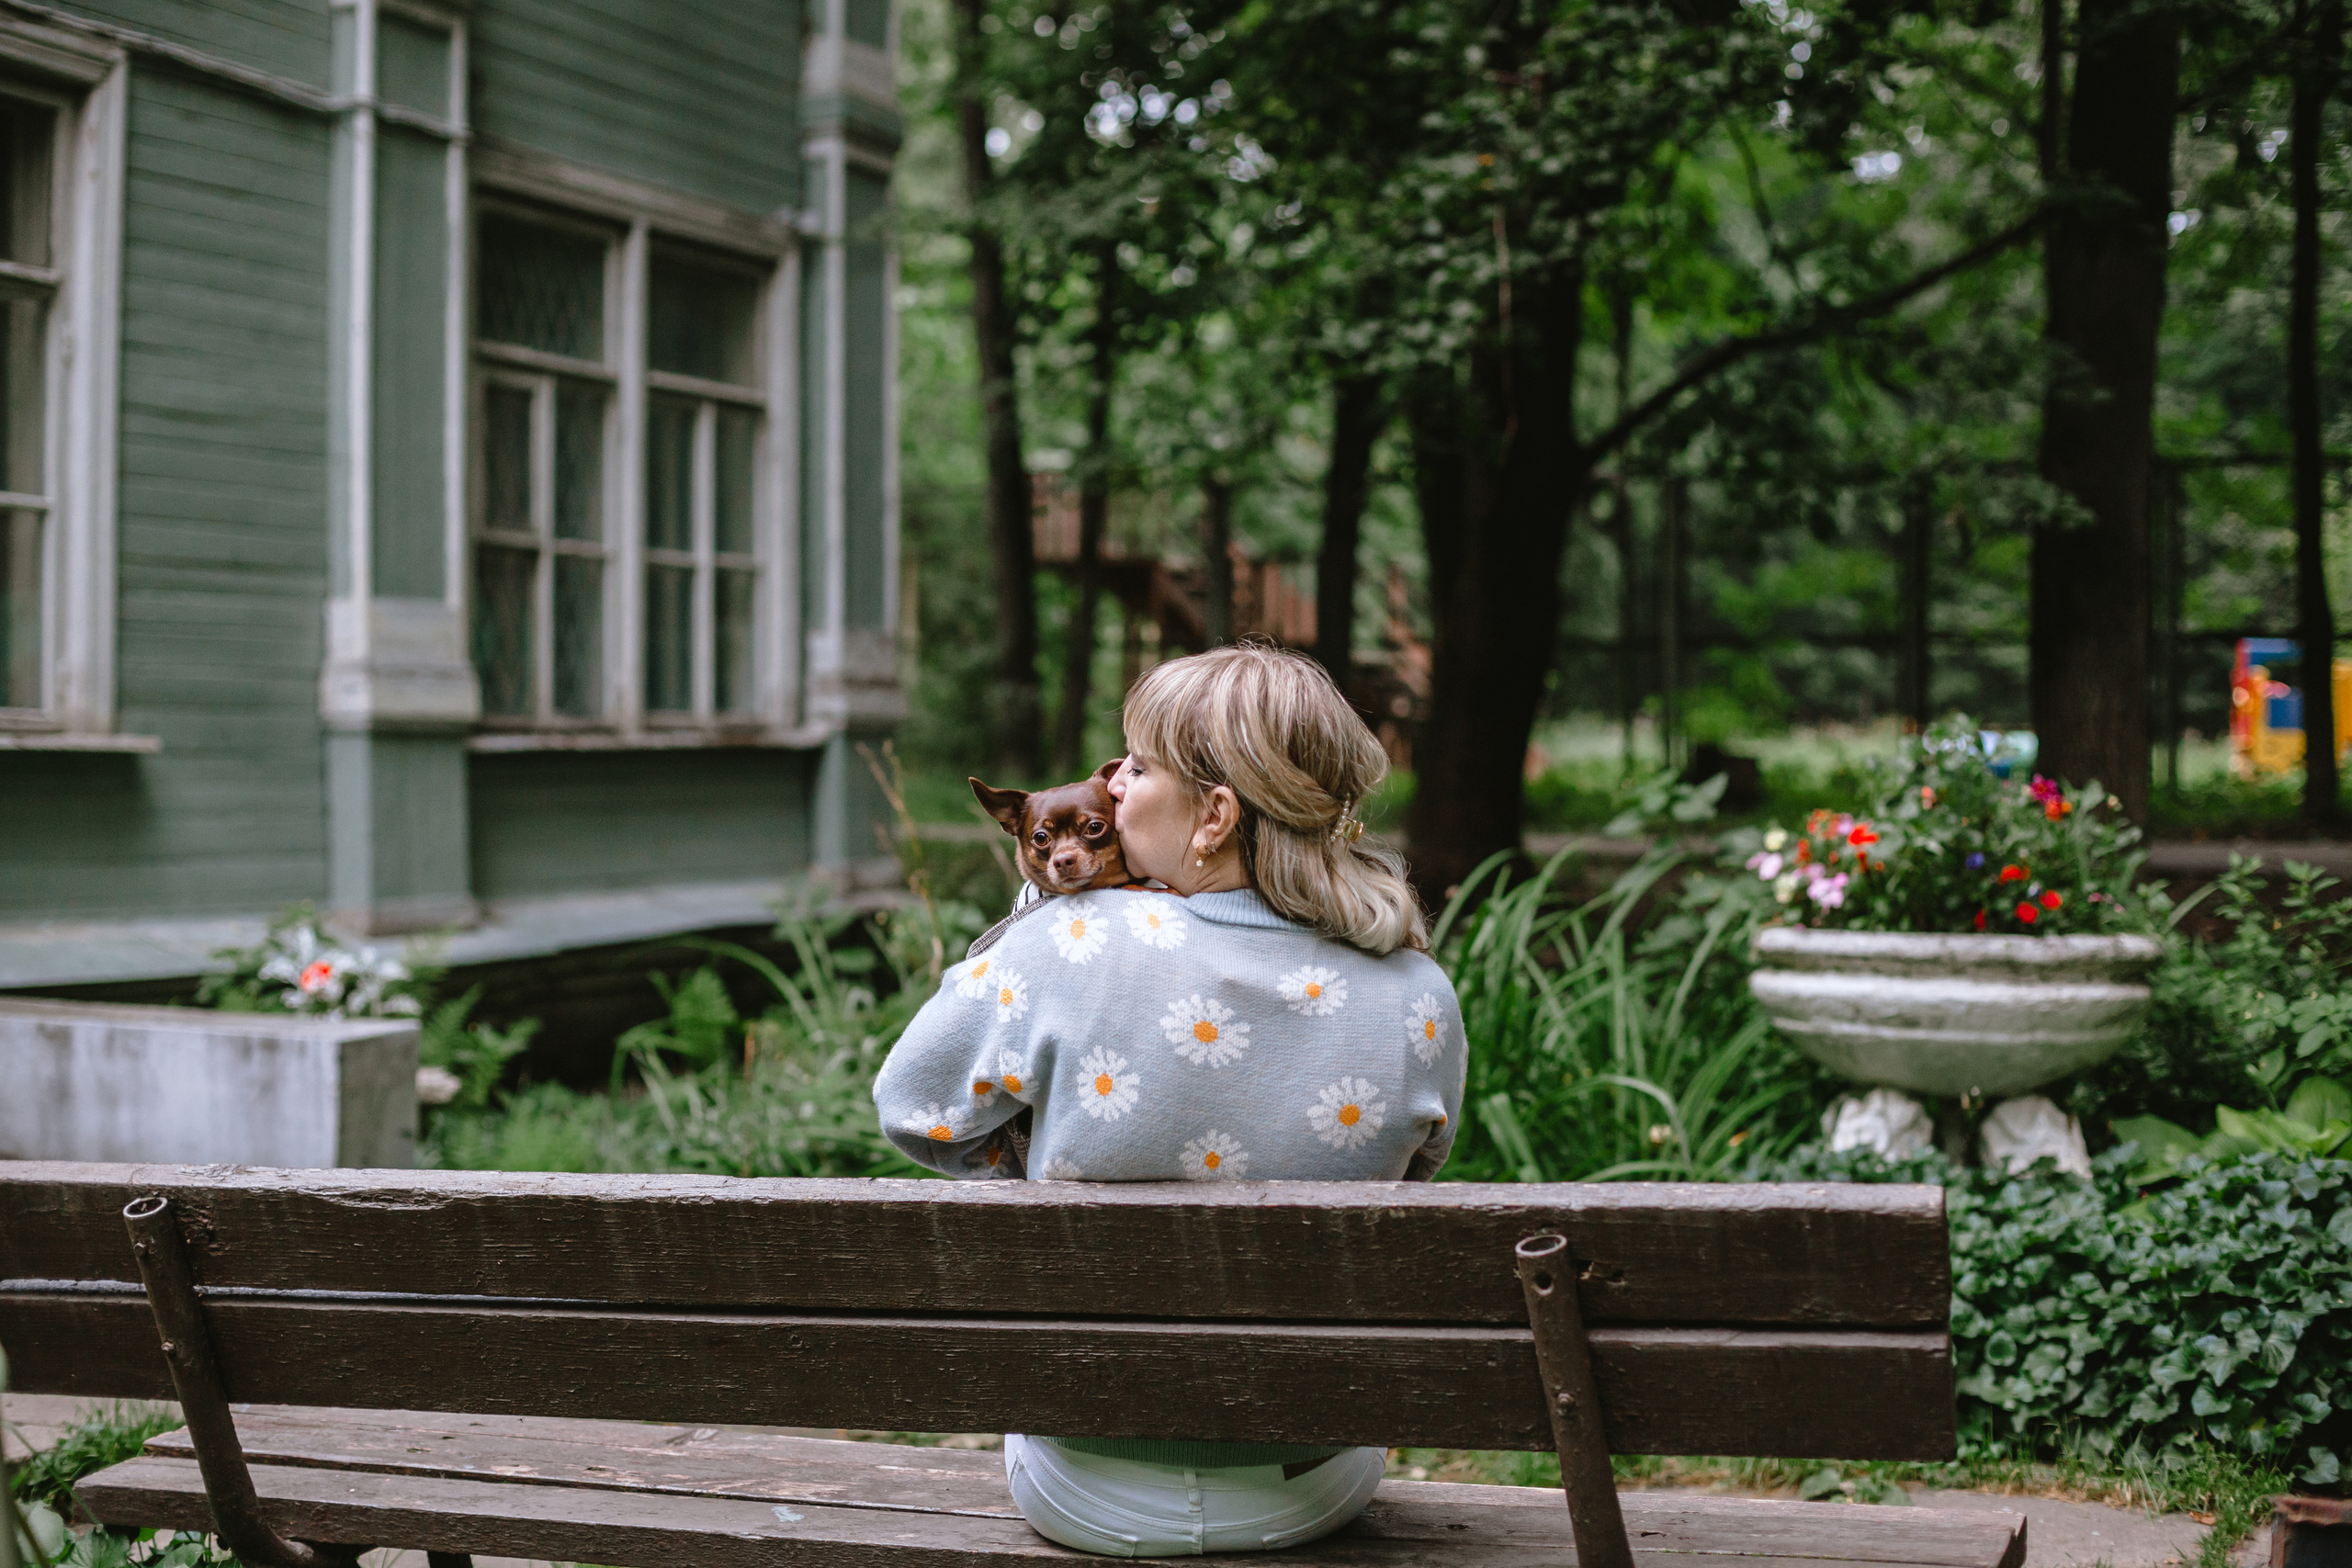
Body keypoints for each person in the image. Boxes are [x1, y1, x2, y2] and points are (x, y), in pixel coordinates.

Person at [873, 643, 1468, 1558]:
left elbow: (915, 1109)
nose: (1111, 791)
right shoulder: (1417, 993)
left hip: (1086, 1477)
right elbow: (1412, 1169)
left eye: (1137, 768)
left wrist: (1031, 1154)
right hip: (1307, 1478)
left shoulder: (1062, 941)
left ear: (1215, 816)